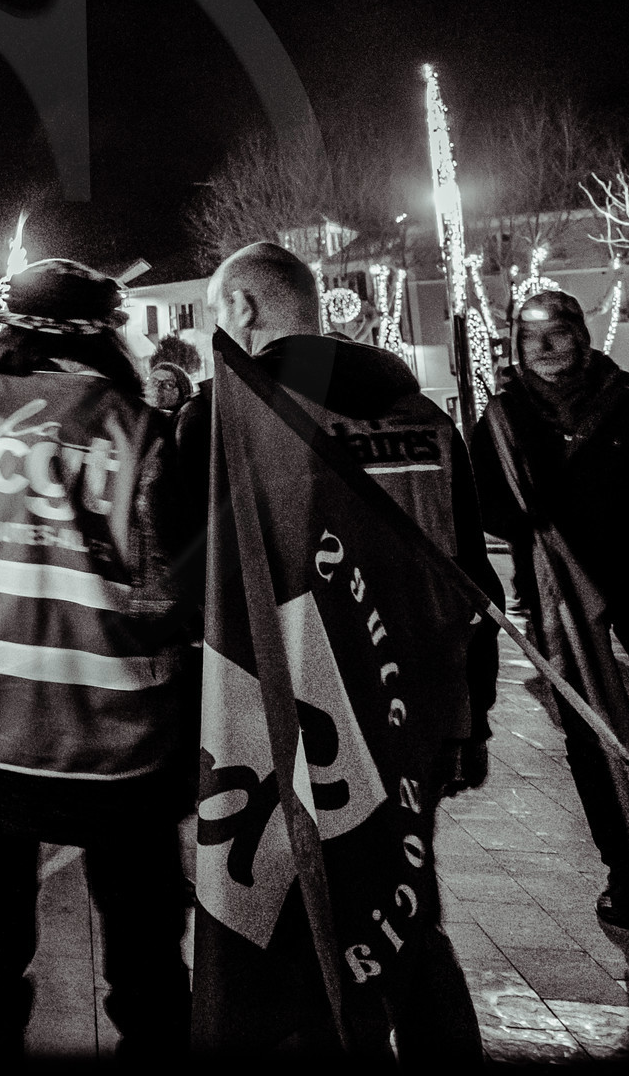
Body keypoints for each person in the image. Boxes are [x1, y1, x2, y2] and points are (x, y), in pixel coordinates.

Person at [198, 240, 500, 1059]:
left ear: (244, 310)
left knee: (318, 936)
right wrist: (473, 723)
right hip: (425, 716)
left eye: (214, 312)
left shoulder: (237, 418)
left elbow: (199, 580)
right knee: (408, 907)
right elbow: (476, 587)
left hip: (305, 731)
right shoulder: (425, 416)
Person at [0, 259, 196, 1059]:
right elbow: (172, 588)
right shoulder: (140, 430)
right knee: (144, 964)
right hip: (118, 746)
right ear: (105, 335)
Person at [471, 287, 629, 931]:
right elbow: (485, 504)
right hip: (558, 595)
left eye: (557, 334)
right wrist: (538, 528)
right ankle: (626, 873)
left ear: (581, 336)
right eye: (532, 339)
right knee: (589, 734)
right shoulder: (502, 422)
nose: (546, 349)